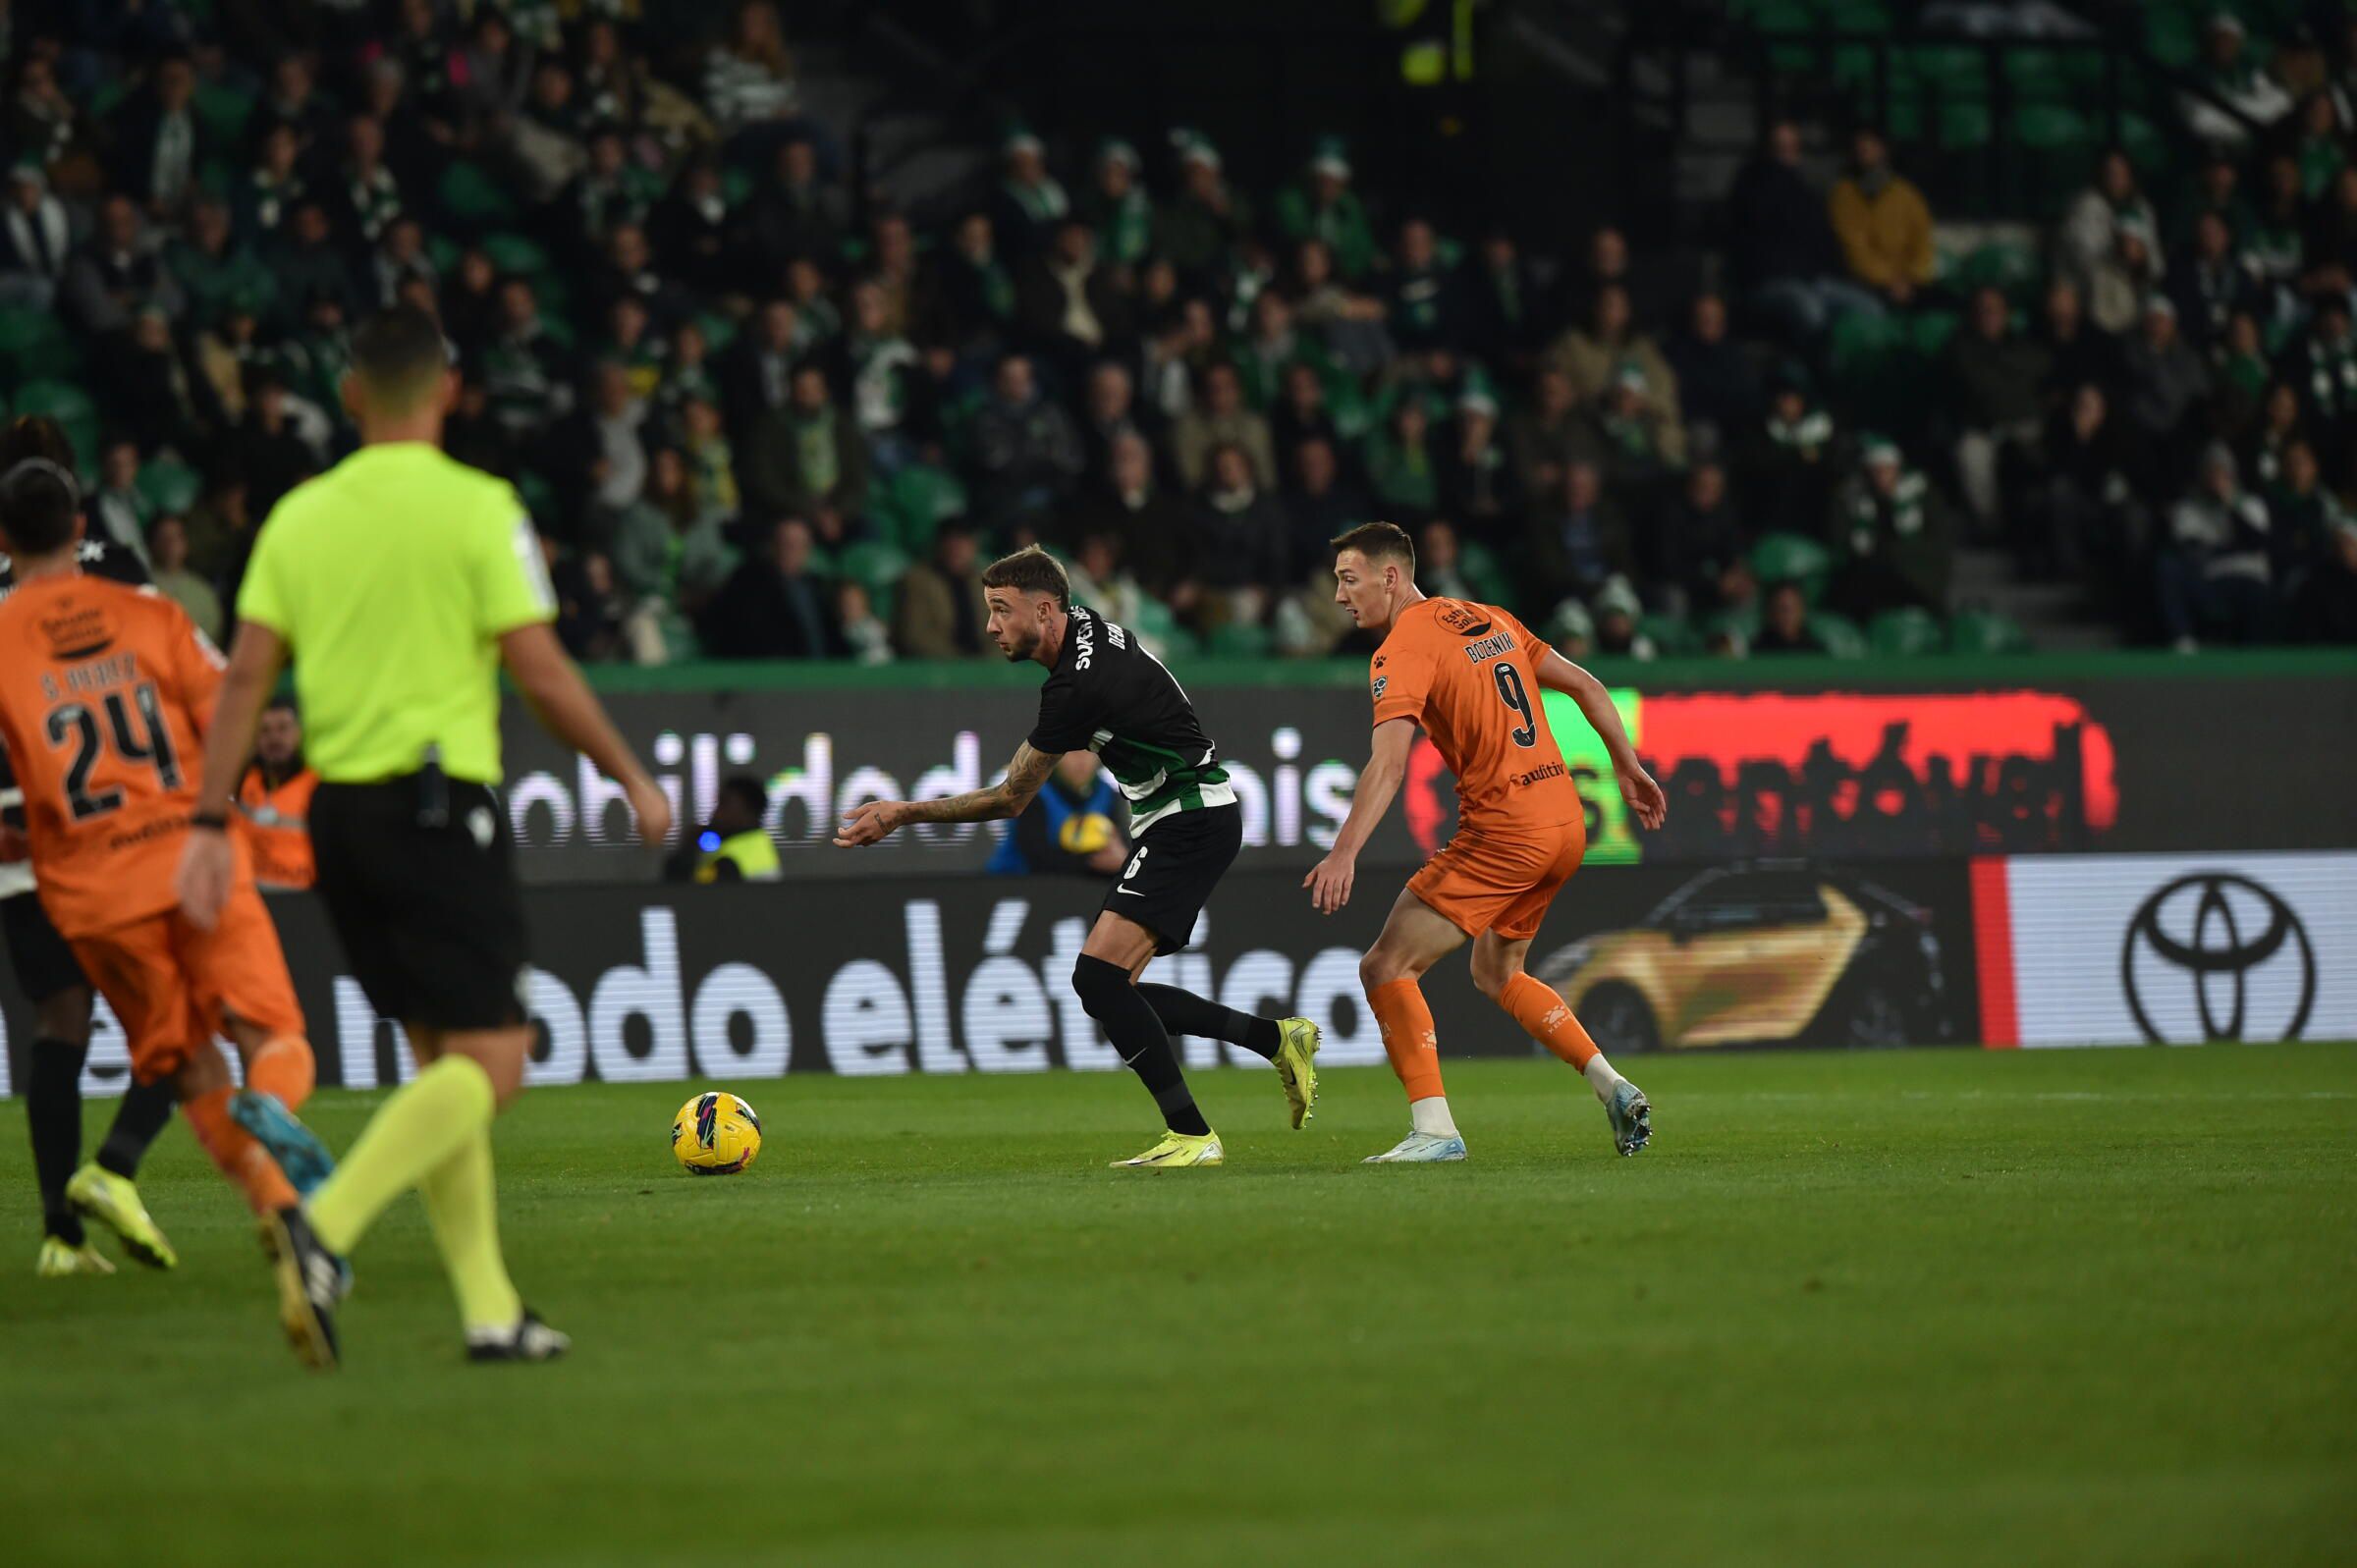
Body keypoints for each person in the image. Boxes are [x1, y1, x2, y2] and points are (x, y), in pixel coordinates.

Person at [176, 302, 672, 1369]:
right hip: (442, 812)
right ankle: (326, 1228)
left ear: (350, 396)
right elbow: (538, 669)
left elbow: (247, 674)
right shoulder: (479, 506)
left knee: (441, 1060)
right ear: (448, 391)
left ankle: (491, 1309)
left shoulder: (299, 516)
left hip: (339, 816)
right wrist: (629, 771)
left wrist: (212, 816)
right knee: (495, 1061)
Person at [836, 546, 1321, 1167]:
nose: (991, 627)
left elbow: (1011, 799)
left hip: (1189, 819)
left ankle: (1195, 1136)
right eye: (988, 610)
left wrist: (903, 813)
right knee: (1117, 989)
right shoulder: (1082, 627)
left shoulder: (1074, 688)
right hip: (1183, 816)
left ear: (1044, 610)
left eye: (1001, 610)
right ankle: (1278, 1039)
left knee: (1098, 980)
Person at [0, 450, 336, 1288]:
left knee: (189, 1066)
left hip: (89, 892)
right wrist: (217, 817)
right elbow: (232, 705)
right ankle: (273, 1114)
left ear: (3, 541)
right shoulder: (149, 614)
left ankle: (280, 1213)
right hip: (191, 859)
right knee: (273, 1036)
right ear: (82, 531)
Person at [1305, 521, 1662, 1162]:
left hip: (1508, 828)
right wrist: (1626, 764)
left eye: (1348, 578)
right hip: (1564, 822)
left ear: (1391, 577)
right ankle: (1612, 1084)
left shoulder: (1401, 650)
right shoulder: (1488, 617)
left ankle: (1435, 1130)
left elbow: (1388, 767)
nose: (1339, 596)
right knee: (1498, 970)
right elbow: (1584, 683)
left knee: (1385, 966)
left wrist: (1345, 850)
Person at [0, 416, 180, 1276]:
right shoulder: (116, 573)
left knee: (59, 1015)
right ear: (76, 508)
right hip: (120, 828)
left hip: (18, 834)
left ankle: (59, 1237)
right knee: (176, 1008)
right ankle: (113, 1168)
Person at [988, 750, 1129, 878]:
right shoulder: (1032, 794)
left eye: (1089, 752)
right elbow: (1038, 858)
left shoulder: (1108, 794)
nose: (1082, 760)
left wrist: (1121, 861)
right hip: (1015, 884)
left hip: (1081, 889)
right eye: (1073, 752)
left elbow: (1123, 847)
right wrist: (1094, 863)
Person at [237, 697, 318, 892]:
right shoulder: (245, 781)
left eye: (283, 729)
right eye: (265, 731)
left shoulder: (316, 786)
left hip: (305, 898)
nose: (274, 738)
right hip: (256, 897)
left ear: (298, 733)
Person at [665, 775, 780, 883]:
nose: (715, 813)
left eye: (724, 804)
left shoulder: (730, 860)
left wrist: (687, 849)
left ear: (748, 810)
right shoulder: (760, 842)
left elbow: (685, 892)